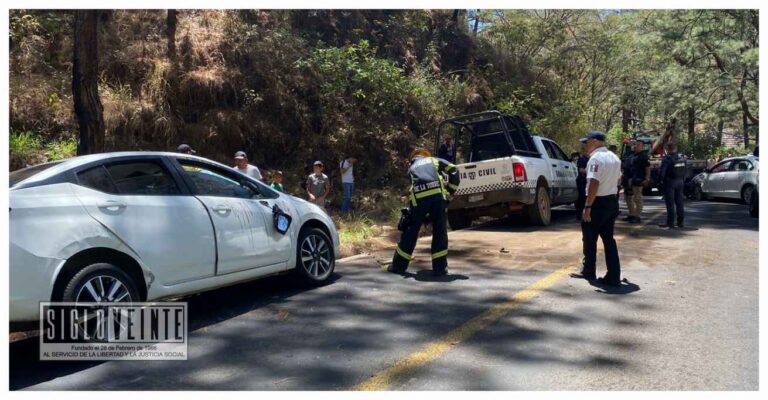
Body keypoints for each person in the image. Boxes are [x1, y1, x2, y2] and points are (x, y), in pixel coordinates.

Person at [389, 148, 460, 276]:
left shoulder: (412, 167)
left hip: (419, 203)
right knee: (440, 232)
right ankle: (439, 268)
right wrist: (450, 191)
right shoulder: (433, 160)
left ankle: (398, 267)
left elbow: (414, 187)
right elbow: (454, 170)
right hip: (438, 200)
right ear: (425, 156)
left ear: (413, 159)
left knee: (410, 232)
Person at [570, 130, 623, 287]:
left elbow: (593, 183)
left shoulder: (595, 158)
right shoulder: (614, 157)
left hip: (597, 204)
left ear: (594, 141)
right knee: (609, 240)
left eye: (586, 143)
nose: (585, 146)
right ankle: (614, 276)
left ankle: (589, 271)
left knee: (589, 239)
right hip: (611, 202)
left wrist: (587, 206)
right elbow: (620, 177)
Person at [658, 142, 687, 229]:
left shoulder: (667, 159)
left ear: (667, 149)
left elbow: (662, 173)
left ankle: (670, 223)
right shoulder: (682, 158)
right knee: (680, 203)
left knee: (670, 204)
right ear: (676, 149)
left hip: (670, 182)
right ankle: (680, 222)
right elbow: (686, 171)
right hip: (680, 182)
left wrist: (660, 181)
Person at [624, 141, 650, 224]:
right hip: (629, 180)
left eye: (638, 145)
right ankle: (631, 214)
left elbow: (647, 167)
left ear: (642, 147)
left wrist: (647, 178)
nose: (636, 146)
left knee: (637, 198)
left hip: (638, 179)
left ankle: (637, 216)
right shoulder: (630, 155)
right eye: (635, 144)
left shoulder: (643, 156)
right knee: (628, 197)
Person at [575, 144, 590, 221]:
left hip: (588, 182)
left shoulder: (591, 159)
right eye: (587, 150)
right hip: (582, 181)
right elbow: (581, 170)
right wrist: (590, 172)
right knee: (581, 199)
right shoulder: (582, 159)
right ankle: (579, 216)